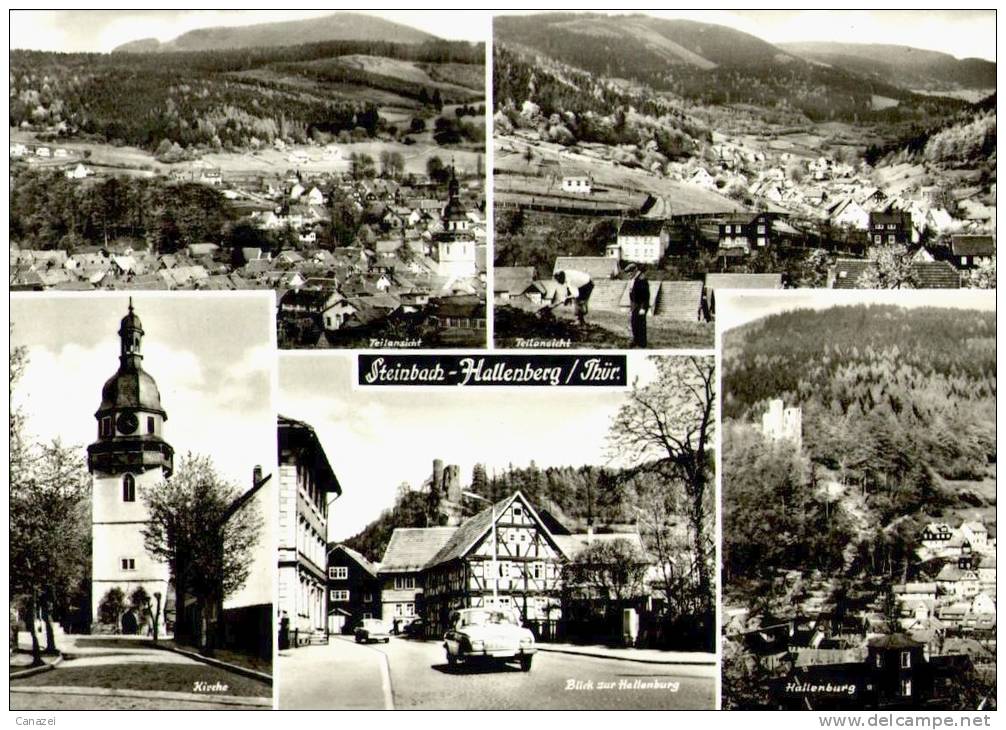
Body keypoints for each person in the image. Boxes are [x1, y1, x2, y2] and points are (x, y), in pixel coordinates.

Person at [629, 270, 650, 348]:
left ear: (634, 271)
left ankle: (642, 343)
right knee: (634, 323)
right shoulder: (635, 279)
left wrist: (643, 308)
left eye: (630, 273)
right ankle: (636, 340)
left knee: (641, 324)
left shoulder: (642, 279)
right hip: (635, 306)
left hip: (641, 306)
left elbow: (645, 296)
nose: (629, 275)